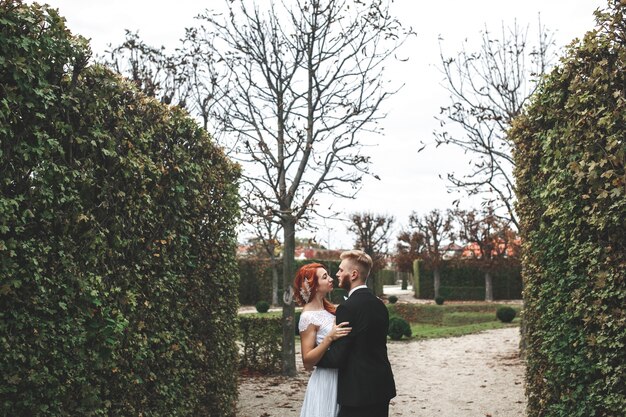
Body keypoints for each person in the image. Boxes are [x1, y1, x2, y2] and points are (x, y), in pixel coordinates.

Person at [316, 250, 396, 417]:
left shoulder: (347, 307)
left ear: (353, 274)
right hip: (382, 387)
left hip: (357, 393)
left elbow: (338, 356)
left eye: (341, 270)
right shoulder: (380, 305)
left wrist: (314, 357)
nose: (337, 274)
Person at [294, 263, 352, 417]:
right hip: (326, 380)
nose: (331, 279)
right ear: (314, 286)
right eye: (325, 277)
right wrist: (329, 338)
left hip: (342, 376)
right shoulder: (307, 317)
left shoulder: (329, 309)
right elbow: (307, 361)